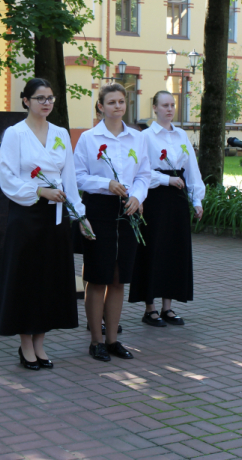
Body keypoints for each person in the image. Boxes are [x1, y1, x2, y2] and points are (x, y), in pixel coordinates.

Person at [0, 78, 94, 370]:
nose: (47, 102)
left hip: (55, 219)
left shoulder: (61, 133)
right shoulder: (15, 134)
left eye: (50, 97)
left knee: (48, 282)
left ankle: (40, 342)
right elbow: (8, 178)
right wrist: (38, 190)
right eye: (40, 98)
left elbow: (71, 181)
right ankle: (25, 343)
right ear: (26, 101)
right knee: (26, 281)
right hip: (26, 217)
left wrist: (81, 217)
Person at [74, 83, 151, 362]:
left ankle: (113, 340)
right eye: (111, 102)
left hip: (128, 210)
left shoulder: (138, 138)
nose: (118, 106)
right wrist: (106, 183)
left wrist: (138, 196)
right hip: (99, 209)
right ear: (100, 106)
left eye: (121, 101)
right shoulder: (88, 138)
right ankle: (96, 341)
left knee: (119, 278)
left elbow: (144, 174)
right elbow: (78, 177)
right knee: (97, 277)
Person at [129, 91, 205, 327]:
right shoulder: (145, 137)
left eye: (172, 105)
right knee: (153, 250)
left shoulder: (181, 135)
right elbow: (139, 170)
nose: (169, 109)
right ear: (154, 108)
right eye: (164, 105)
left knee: (174, 250)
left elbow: (192, 169)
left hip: (177, 199)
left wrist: (196, 199)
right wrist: (165, 180)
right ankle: (149, 307)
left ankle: (167, 307)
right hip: (154, 199)